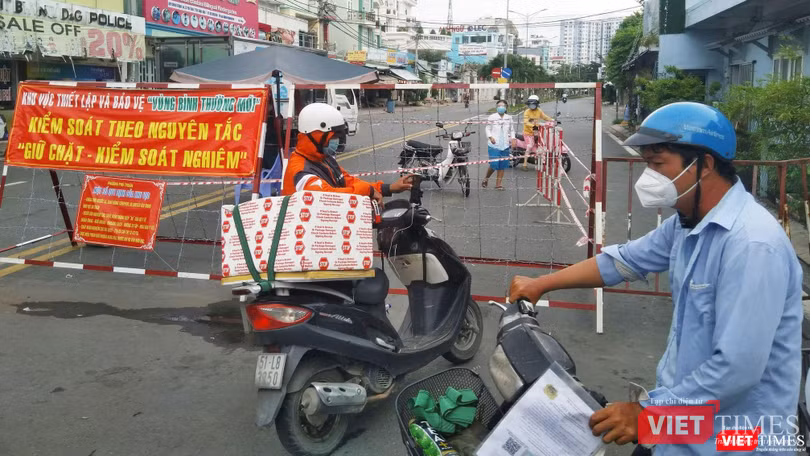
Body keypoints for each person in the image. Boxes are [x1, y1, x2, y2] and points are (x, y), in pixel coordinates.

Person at [508, 102, 802, 454]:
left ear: (704, 165)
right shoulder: (687, 222)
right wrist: (542, 284)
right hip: (678, 426)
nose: (651, 177)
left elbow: (738, 367)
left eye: (658, 164)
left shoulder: (752, 245)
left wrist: (648, 414)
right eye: (647, 165)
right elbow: (623, 261)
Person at [282, 103, 413, 204]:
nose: (336, 141)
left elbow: (350, 182)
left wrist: (389, 188)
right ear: (316, 135)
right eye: (332, 137)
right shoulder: (299, 170)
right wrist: (368, 191)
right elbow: (326, 196)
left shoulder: (324, 159)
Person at [482, 99, 515, 190]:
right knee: (494, 164)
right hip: (494, 145)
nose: (501, 107)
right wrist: (490, 137)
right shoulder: (492, 117)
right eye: (499, 106)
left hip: (504, 144)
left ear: (506, 107)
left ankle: (498, 184)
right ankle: (486, 178)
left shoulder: (509, 117)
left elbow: (511, 130)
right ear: (497, 107)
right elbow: (488, 128)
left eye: (503, 106)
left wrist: (513, 138)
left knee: (502, 165)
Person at [517, 94, 554, 170]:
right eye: (530, 104)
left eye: (533, 104)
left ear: (537, 104)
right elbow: (526, 122)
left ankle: (540, 163)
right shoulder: (527, 112)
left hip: (536, 133)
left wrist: (552, 120)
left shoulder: (539, 111)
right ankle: (524, 164)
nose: (532, 105)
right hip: (528, 133)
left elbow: (544, 117)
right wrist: (534, 127)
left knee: (539, 148)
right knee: (530, 146)